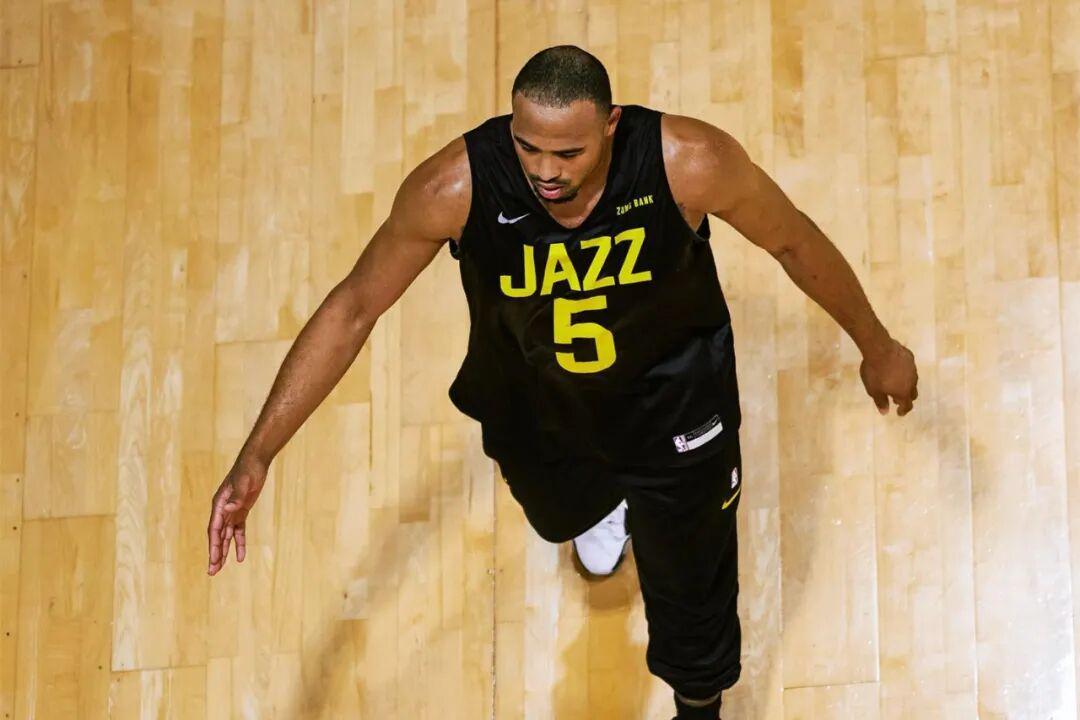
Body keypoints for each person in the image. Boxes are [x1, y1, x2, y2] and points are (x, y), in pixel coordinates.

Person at [206, 45, 918, 719]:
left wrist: (877, 345)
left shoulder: (688, 163)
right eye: (528, 146)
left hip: (675, 413)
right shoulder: (452, 189)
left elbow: (792, 239)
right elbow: (354, 306)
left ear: (610, 126)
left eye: (568, 153)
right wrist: (257, 453)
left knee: (695, 603)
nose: (545, 171)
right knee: (563, 517)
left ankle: (699, 709)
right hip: (536, 413)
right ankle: (603, 508)